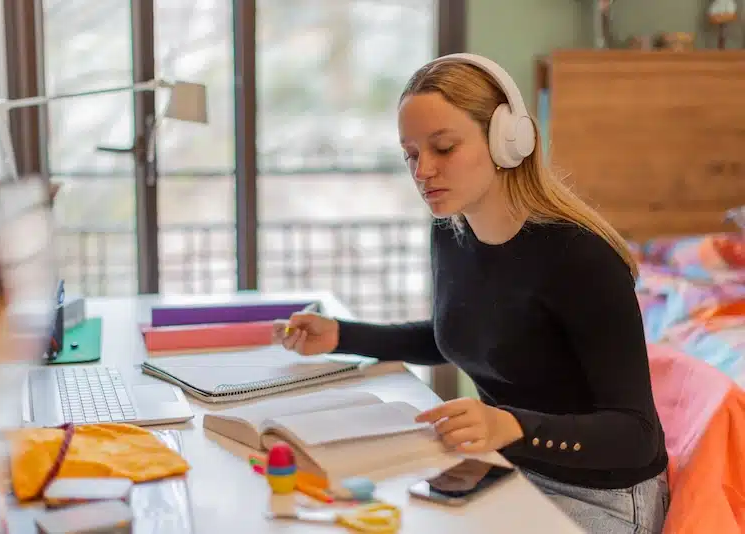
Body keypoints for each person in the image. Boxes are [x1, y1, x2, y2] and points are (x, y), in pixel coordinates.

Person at [273, 53, 669, 533]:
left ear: (507, 139)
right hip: (504, 468)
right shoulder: (451, 233)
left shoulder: (581, 258)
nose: (422, 172)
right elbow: (459, 331)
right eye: (411, 154)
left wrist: (511, 426)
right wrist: (341, 335)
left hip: (603, 495)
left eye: (443, 148)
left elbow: (636, 436)